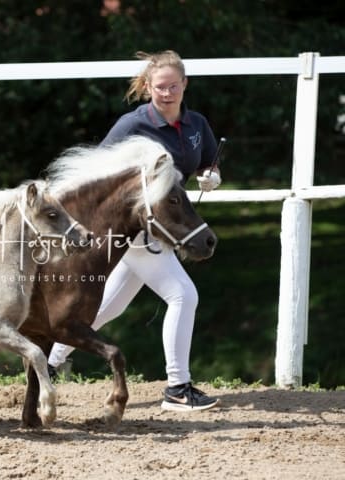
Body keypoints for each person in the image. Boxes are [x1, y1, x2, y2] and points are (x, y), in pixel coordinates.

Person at [48, 50, 222, 411]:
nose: (168, 93)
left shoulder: (196, 125)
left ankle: (46, 365)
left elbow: (207, 161)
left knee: (108, 306)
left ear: (185, 84)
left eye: (174, 86)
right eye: (160, 87)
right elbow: (99, 174)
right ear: (147, 87)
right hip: (136, 228)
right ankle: (178, 387)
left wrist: (212, 176)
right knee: (182, 295)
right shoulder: (131, 126)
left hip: (168, 223)